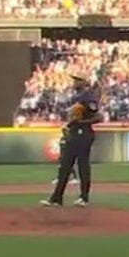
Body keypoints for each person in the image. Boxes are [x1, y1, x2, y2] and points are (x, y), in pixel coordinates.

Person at [41, 74, 99, 206]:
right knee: (65, 166)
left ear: (84, 82)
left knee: (83, 165)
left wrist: (81, 122)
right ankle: (57, 198)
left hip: (84, 134)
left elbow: (98, 117)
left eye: (78, 80)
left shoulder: (88, 97)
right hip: (72, 134)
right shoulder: (75, 97)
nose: (74, 82)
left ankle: (84, 198)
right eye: (74, 80)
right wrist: (69, 125)